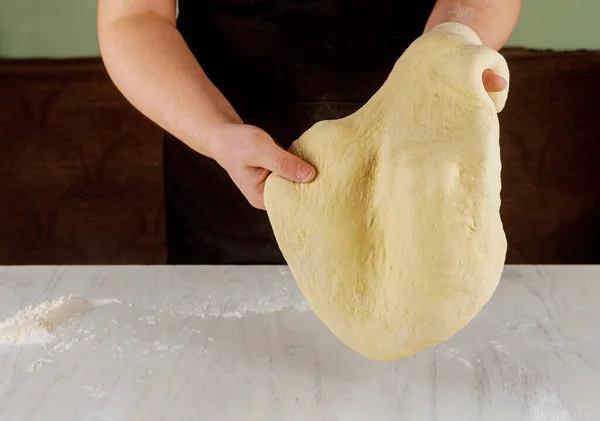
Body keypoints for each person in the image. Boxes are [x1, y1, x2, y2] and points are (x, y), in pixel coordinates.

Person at [97, 0, 521, 264]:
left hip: (413, 159)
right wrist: (218, 132)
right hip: (232, 173)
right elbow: (134, 17)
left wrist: (445, 53)